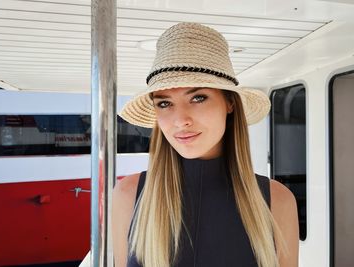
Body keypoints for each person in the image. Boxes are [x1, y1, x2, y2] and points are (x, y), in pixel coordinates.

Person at [112, 22, 299, 267]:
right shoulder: (128, 195)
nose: (180, 121)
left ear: (230, 103)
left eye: (198, 97)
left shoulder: (277, 200)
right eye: (164, 103)